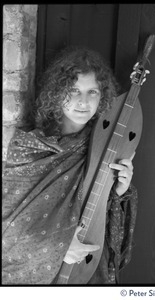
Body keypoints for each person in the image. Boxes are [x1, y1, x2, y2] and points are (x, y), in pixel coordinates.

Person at [2, 46, 139, 285]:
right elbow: (10, 231)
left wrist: (118, 191)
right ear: (56, 93)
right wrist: (60, 247)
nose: (83, 101)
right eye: (73, 90)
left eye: (92, 92)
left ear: (103, 96)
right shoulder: (28, 148)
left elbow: (98, 215)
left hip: (86, 273)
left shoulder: (108, 146)